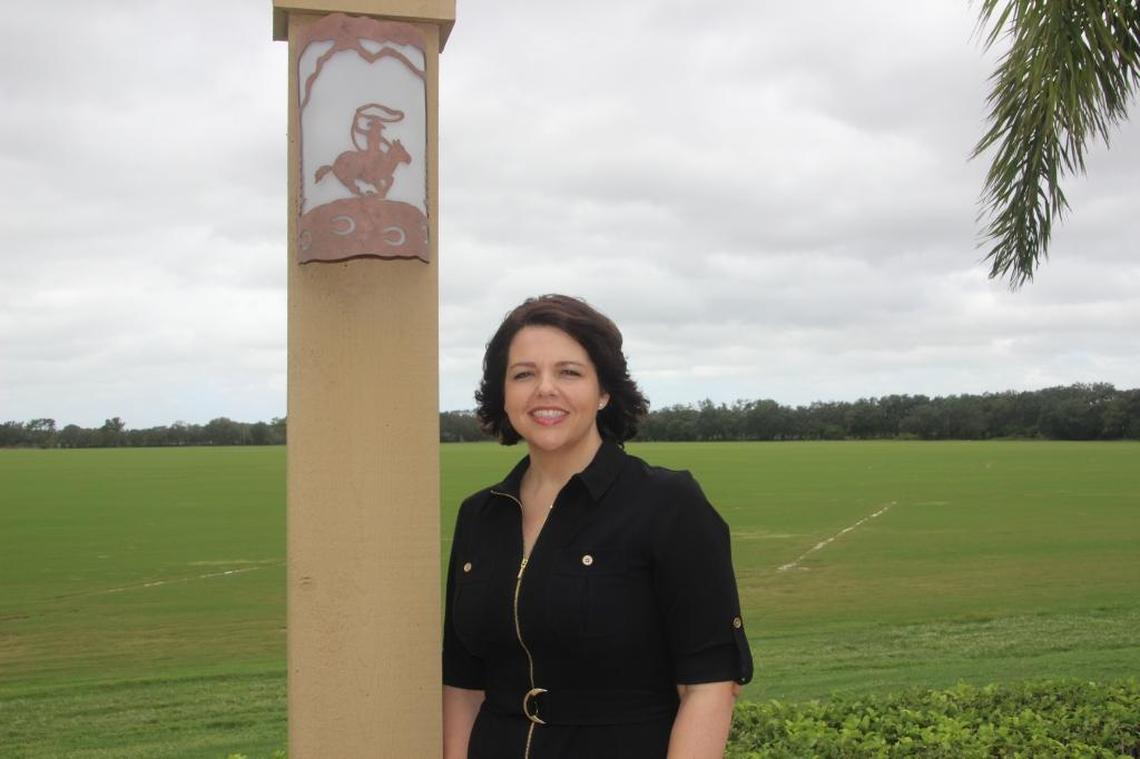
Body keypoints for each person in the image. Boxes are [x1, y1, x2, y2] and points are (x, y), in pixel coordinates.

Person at [442, 294, 753, 759]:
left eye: (569, 372)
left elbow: (709, 688)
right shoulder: (480, 516)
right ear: (503, 394)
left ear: (604, 391)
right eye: (524, 374)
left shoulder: (668, 505)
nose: (545, 389)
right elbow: (463, 689)